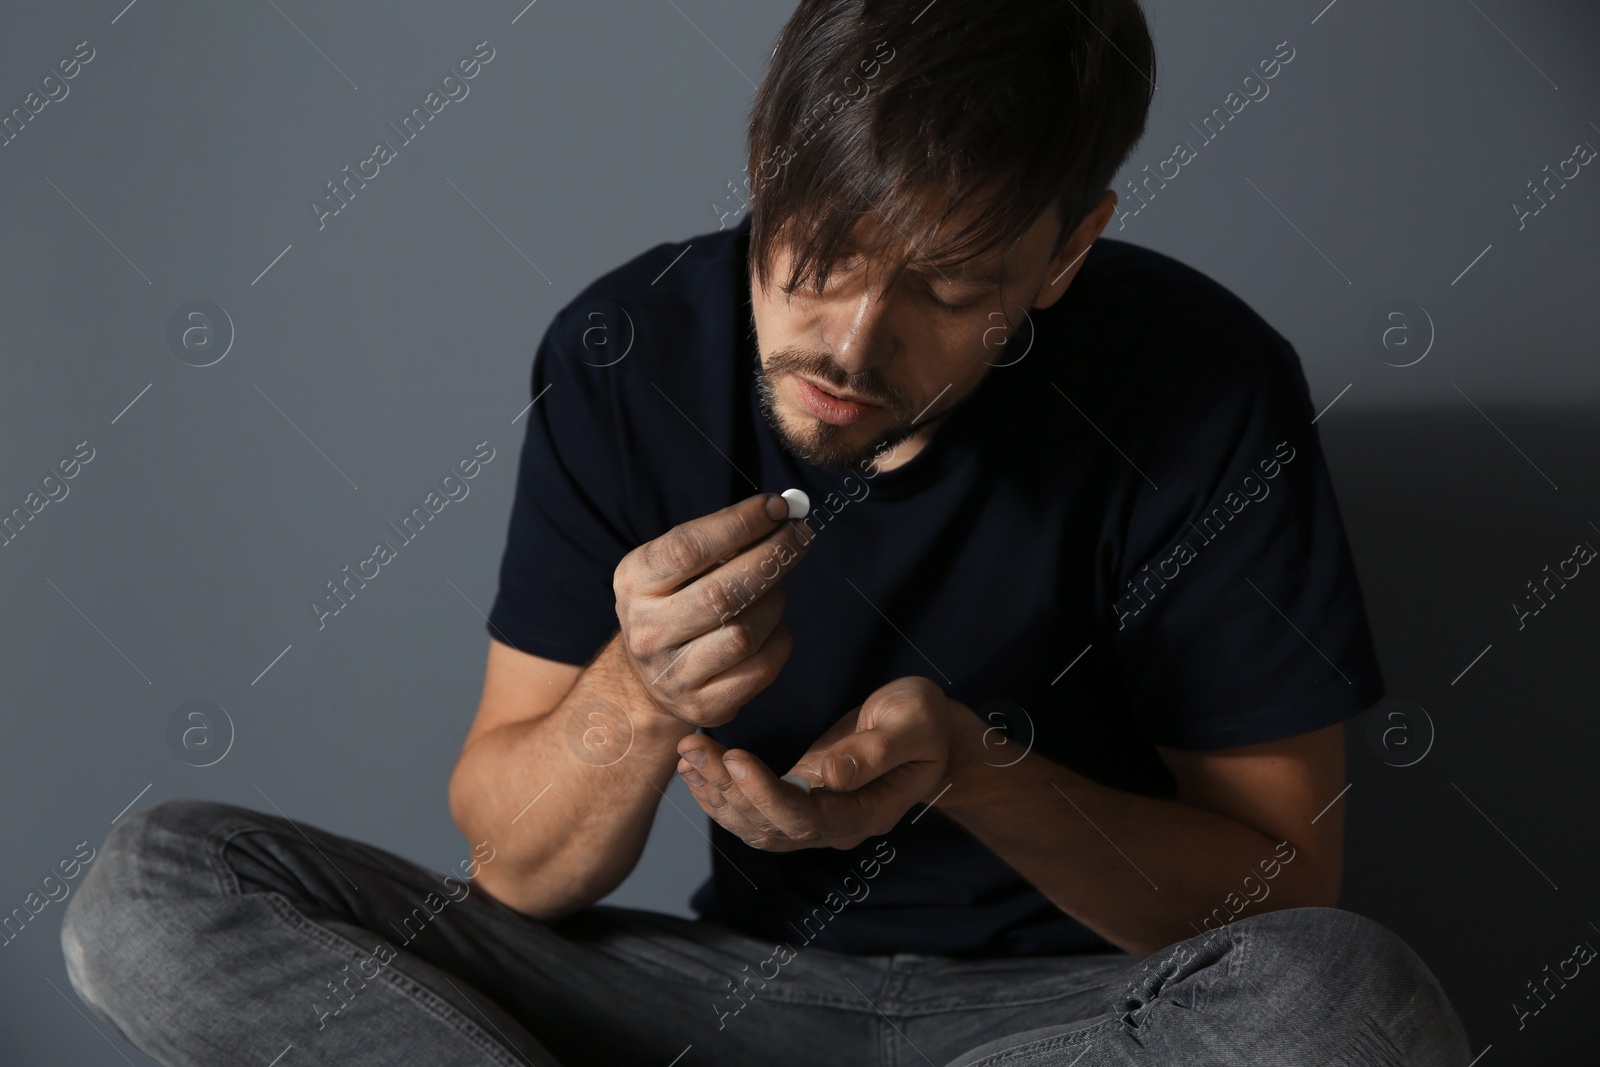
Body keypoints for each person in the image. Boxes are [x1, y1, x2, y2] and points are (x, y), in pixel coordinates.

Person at [61, 1, 1473, 1063]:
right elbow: (520, 869)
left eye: (951, 285)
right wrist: (638, 689)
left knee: (1348, 1000)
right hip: (704, 1000)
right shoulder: (627, 351)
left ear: (1066, 248)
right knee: (152, 890)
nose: (852, 343)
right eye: (823, 250)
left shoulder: (1203, 382)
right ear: (763, 153)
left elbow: (1285, 890)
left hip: (1063, 1025)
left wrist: (978, 774)